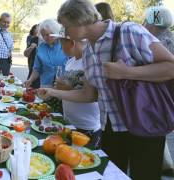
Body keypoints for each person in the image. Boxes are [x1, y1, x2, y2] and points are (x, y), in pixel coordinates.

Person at [39, 0, 174, 179]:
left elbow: (170, 66)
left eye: (65, 26)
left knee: (145, 175)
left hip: (143, 121)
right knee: (111, 175)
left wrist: (127, 72)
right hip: (111, 127)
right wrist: (52, 92)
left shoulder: (128, 31)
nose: (65, 33)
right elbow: (90, 94)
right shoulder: (88, 51)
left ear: (79, 20)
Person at [52, 33, 101, 149]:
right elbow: (67, 90)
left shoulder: (90, 61)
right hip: (69, 121)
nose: (60, 48)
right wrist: (59, 88)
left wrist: (63, 90)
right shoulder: (70, 61)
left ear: (71, 43)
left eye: (61, 44)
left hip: (86, 126)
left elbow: (90, 95)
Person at [143, 6, 174, 176]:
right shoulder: (171, 40)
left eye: (146, 21)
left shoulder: (155, 44)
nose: (143, 25)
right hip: (166, 103)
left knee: (151, 150)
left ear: (153, 24)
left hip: (155, 104)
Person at [24, 19, 67, 88]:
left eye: (47, 34)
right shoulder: (41, 47)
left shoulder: (65, 44)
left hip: (63, 87)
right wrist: (30, 80)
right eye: (43, 35)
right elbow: (37, 69)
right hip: (45, 86)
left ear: (55, 31)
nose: (45, 38)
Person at [24, 24, 41, 88]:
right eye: (37, 28)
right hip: (33, 68)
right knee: (31, 87)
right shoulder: (33, 39)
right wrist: (31, 47)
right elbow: (26, 54)